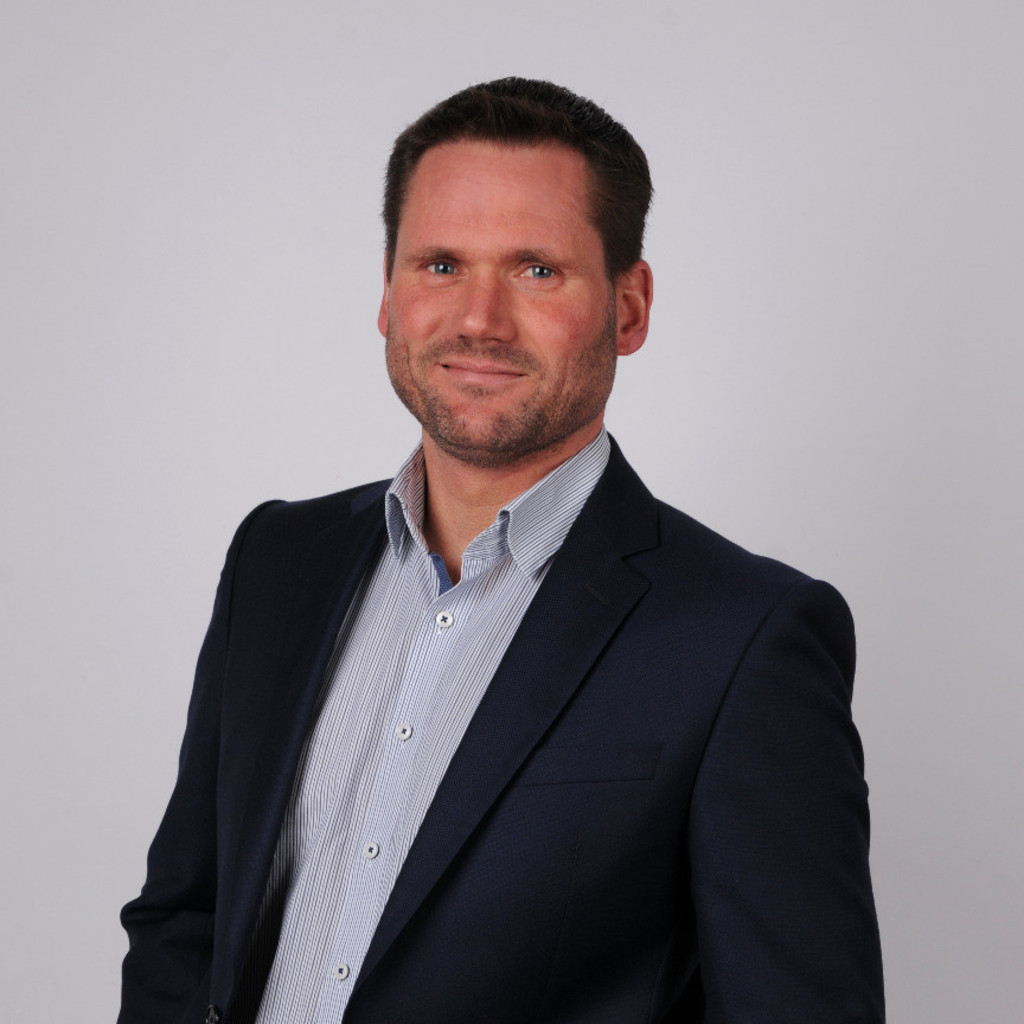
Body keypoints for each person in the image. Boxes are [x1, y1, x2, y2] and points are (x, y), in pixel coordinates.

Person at [118, 78, 884, 1024]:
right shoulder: (277, 562)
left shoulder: (745, 639)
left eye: (536, 270)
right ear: (388, 293)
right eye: (441, 264)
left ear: (630, 307)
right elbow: (186, 920)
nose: (479, 318)